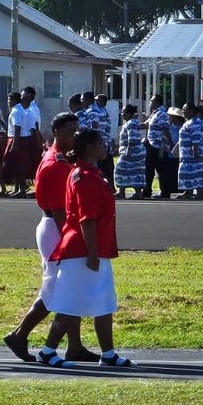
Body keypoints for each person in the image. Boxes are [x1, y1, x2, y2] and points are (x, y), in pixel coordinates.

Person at [3, 112, 98, 363]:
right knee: (57, 288)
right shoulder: (56, 164)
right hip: (57, 227)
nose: (74, 135)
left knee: (69, 286)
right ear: (56, 132)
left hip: (60, 226)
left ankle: (75, 346)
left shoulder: (64, 159)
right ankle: (19, 334)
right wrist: (71, 240)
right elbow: (59, 210)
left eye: (77, 130)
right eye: (69, 131)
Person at [40, 129, 134, 368]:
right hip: (82, 250)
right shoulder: (84, 176)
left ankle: (108, 353)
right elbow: (86, 219)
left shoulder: (91, 174)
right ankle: (48, 350)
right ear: (90, 147)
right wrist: (92, 253)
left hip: (95, 248)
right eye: (100, 143)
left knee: (104, 302)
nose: (105, 146)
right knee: (70, 302)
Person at [175, 103, 203, 200]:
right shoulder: (197, 121)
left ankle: (201, 193)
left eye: (185, 109)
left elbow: (196, 137)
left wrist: (195, 150)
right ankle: (188, 192)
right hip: (195, 154)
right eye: (183, 109)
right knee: (195, 173)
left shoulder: (194, 122)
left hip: (194, 155)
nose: (183, 111)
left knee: (197, 173)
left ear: (192, 111)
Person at [143, 94, 174, 199]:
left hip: (159, 146)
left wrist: (170, 142)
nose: (149, 103)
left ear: (156, 102)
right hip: (152, 145)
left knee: (161, 169)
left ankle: (165, 192)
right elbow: (146, 124)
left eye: (151, 101)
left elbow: (165, 129)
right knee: (149, 168)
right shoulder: (154, 114)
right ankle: (147, 190)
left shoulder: (161, 114)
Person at [113, 104, 145, 198]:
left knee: (120, 169)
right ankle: (127, 191)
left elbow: (132, 138)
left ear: (128, 113)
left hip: (133, 152)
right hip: (132, 152)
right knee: (134, 171)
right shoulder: (130, 123)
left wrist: (128, 151)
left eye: (123, 112)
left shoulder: (131, 123)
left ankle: (124, 191)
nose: (122, 114)